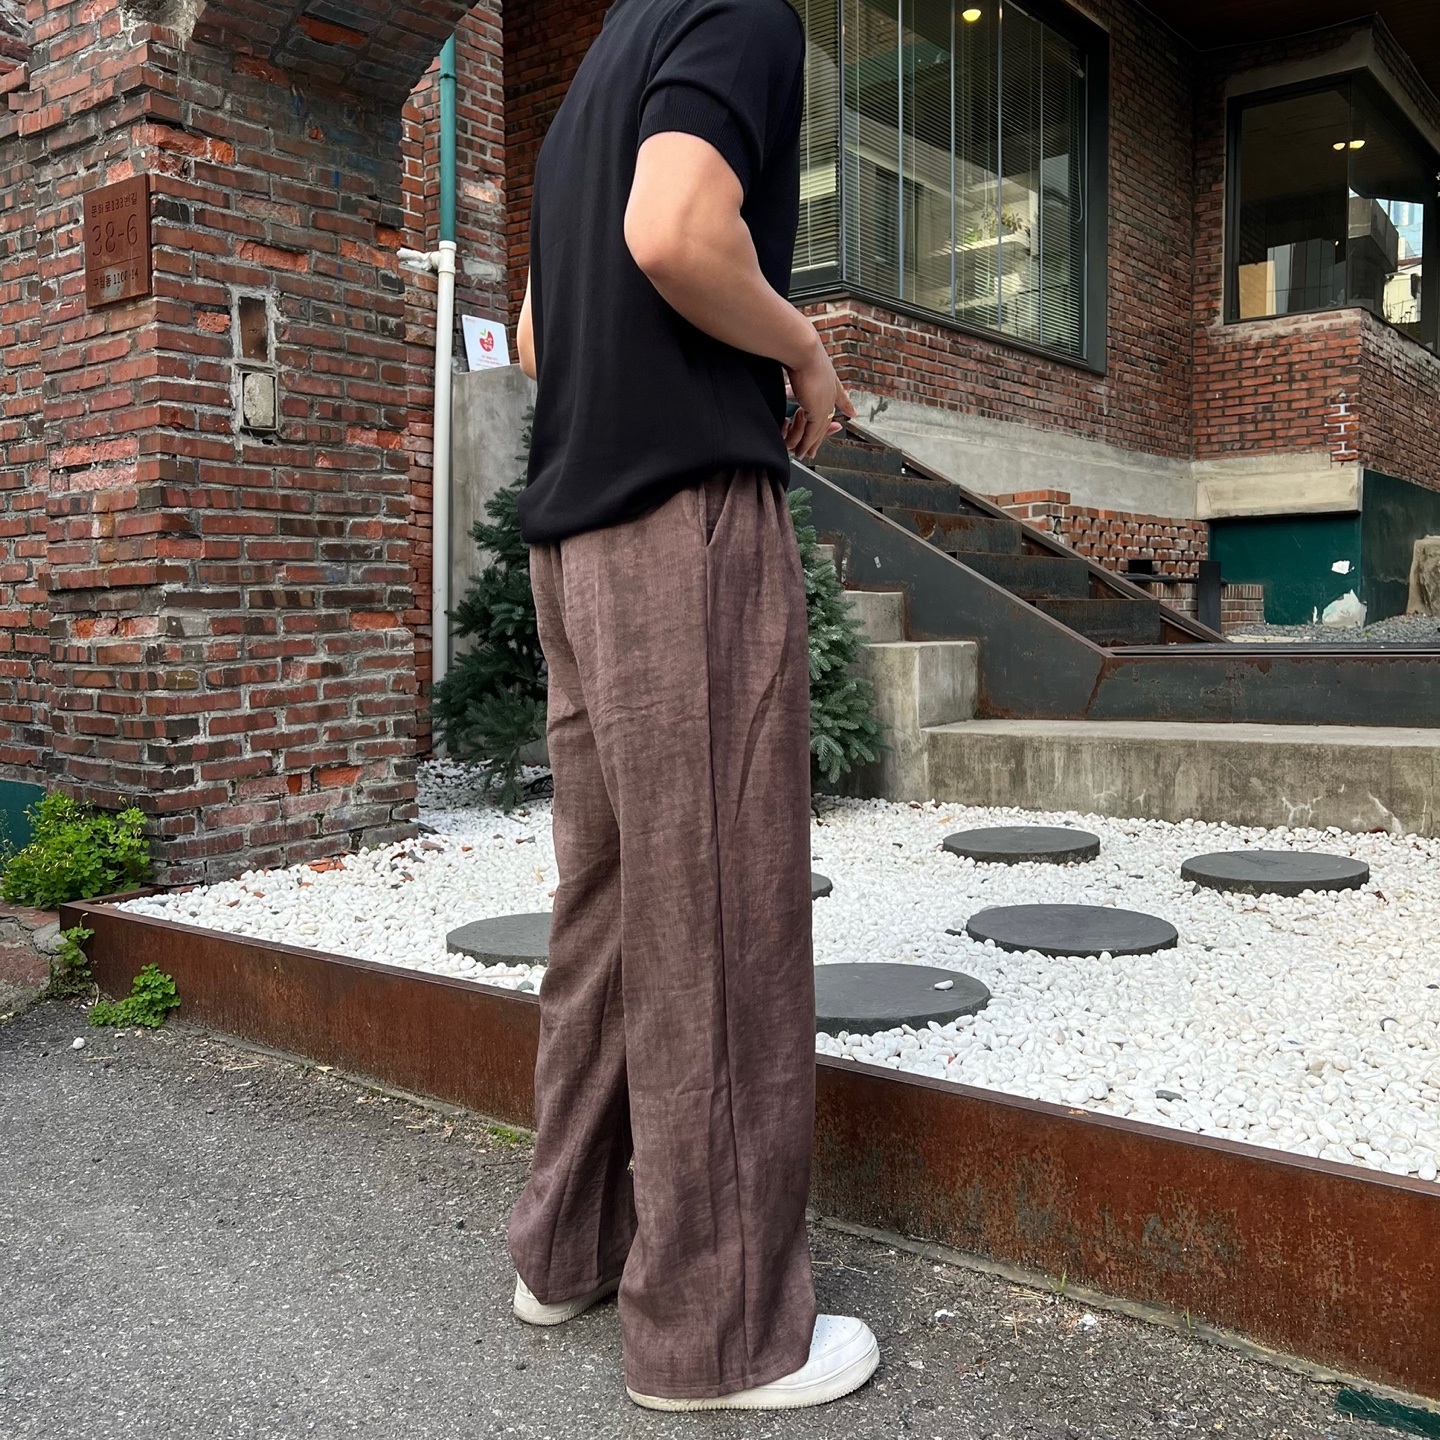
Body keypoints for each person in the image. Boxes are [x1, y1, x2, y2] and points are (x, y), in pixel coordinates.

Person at [505, 0, 877, 1413]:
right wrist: (804, 351)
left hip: (574, 541)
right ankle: (720, 1334)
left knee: (607, 909)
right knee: (718, 911)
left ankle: (570, 1247)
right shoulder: (740, 13)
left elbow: (537, 337)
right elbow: (673, 233)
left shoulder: (598, 70)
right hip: (683, 527)